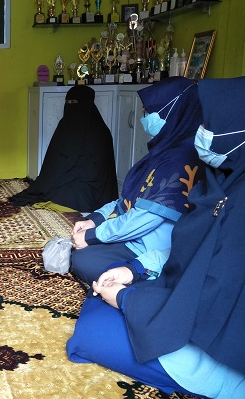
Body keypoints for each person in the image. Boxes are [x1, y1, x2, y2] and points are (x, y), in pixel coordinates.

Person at [66, 77, 245, 398]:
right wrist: (134, 270)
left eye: (210, 123)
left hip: (215, 350)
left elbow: (210, 299)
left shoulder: (235, 205)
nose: (201, 130)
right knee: (98, 298)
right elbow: (183, 251)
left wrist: (127, 299)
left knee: (89, 332)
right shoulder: (219, 185)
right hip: (174, 298)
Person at [70, 77, 205, 285]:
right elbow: (130, 199)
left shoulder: (179, 159)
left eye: (149, 112)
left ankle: (142, 279)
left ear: (173, 111)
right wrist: (95, 220)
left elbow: (144, 218)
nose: (145, 118)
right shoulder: (165, 149)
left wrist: (92, 235)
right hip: (136, 236)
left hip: (151, 247)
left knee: (84, 259)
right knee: (80, 252)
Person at [9, 85, 118, 212]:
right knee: (50, 189)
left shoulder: (100, 132)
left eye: (74, 102)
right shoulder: (65, 124)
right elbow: (53, 160)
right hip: (68, 179)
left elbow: (97, 171)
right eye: (68, 102)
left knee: (62, 195)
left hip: (91, 187)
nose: (70, 106)